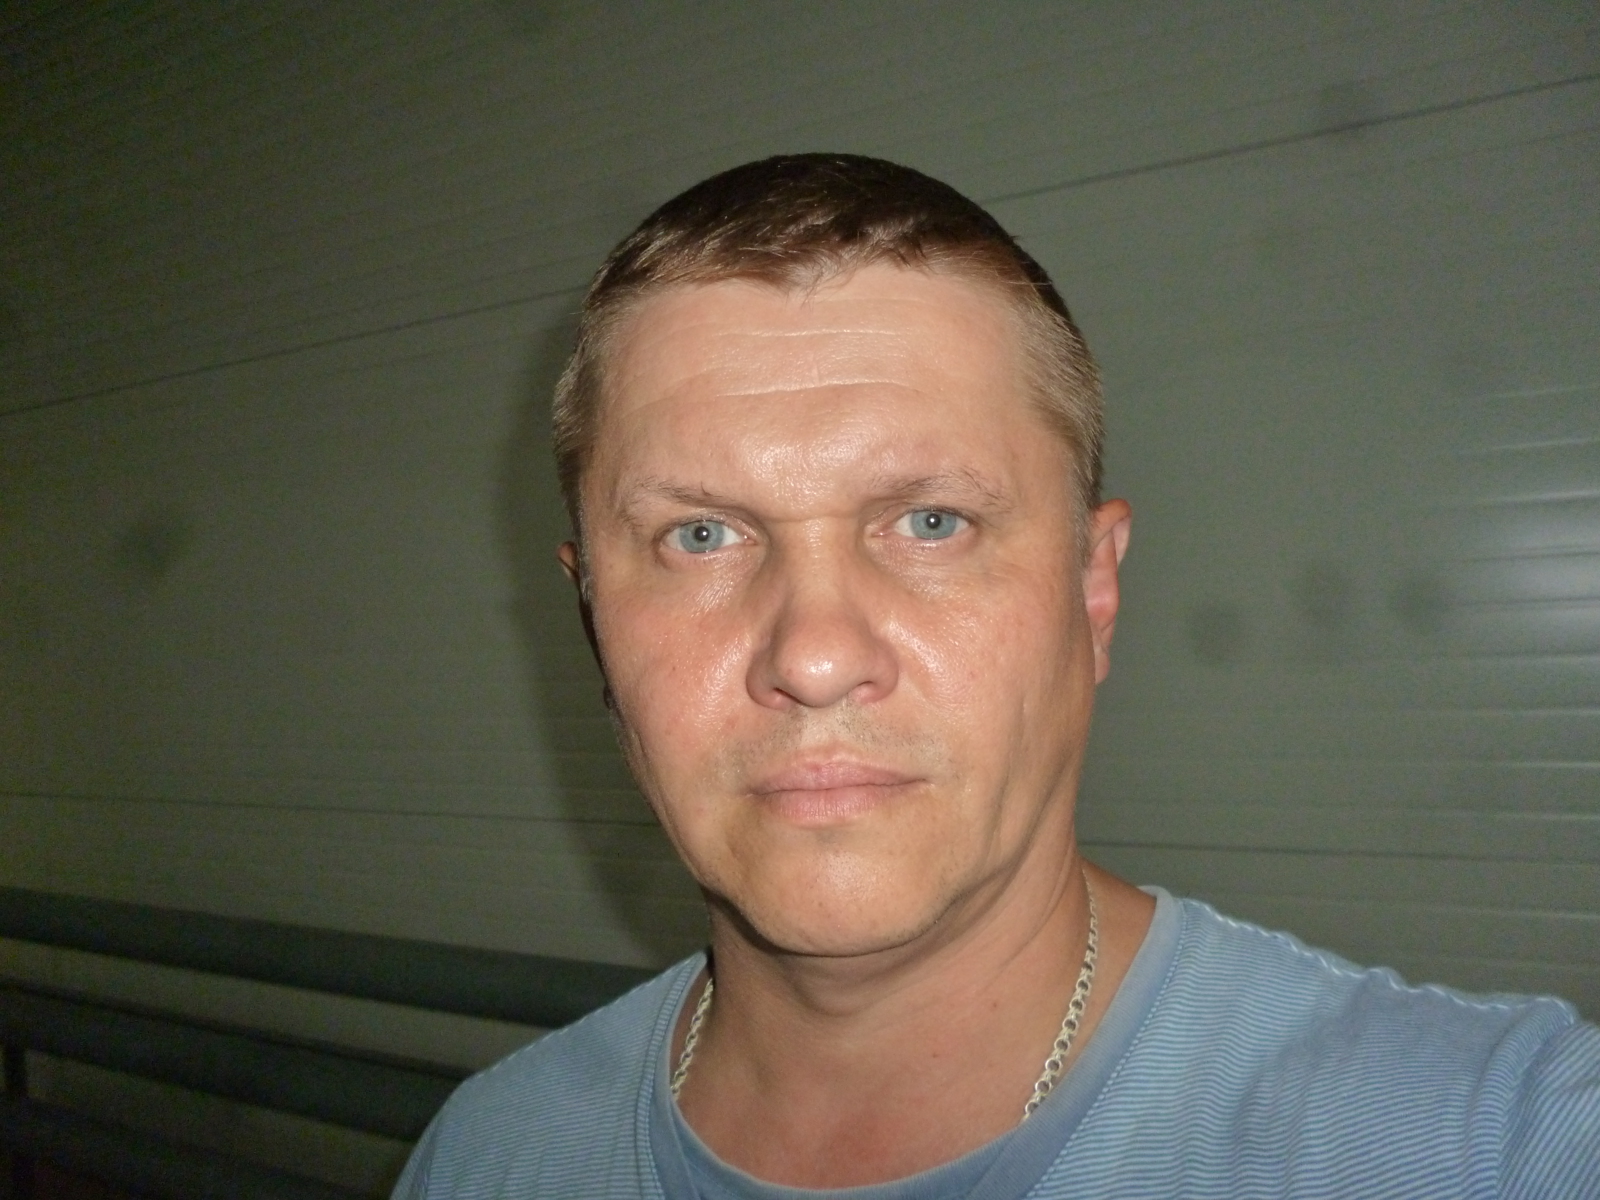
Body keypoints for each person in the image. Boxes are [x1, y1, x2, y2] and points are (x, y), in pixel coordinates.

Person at [393, 154, 1599, 1198]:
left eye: (931, 522)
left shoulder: (1495, 1142)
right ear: (593, 621)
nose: (814, 656)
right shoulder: (489, 1155)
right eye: (698, 536)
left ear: (1092, 592)